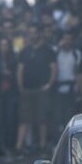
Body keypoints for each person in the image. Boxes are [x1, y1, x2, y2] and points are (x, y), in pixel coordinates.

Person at [15, 25, 57, 156]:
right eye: (30, 33)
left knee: (42, 118)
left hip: (41, 89)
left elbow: (54, 68)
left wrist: (49, 84)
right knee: (24, 119)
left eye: (35, 32)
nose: (32, 35)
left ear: (39, 34)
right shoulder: (24, 51)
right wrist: (20, 86)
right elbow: (20, 69)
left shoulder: (48, 50)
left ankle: (42, 146)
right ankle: (18, 147)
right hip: (27, 89)